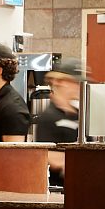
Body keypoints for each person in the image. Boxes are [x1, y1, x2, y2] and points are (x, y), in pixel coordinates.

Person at [33, 55, 83, 185]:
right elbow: (47, 155)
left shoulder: (78, 113)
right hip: (60, 190)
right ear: (61, 82)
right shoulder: (49, 117)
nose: (79, 86)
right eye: (75, 82)